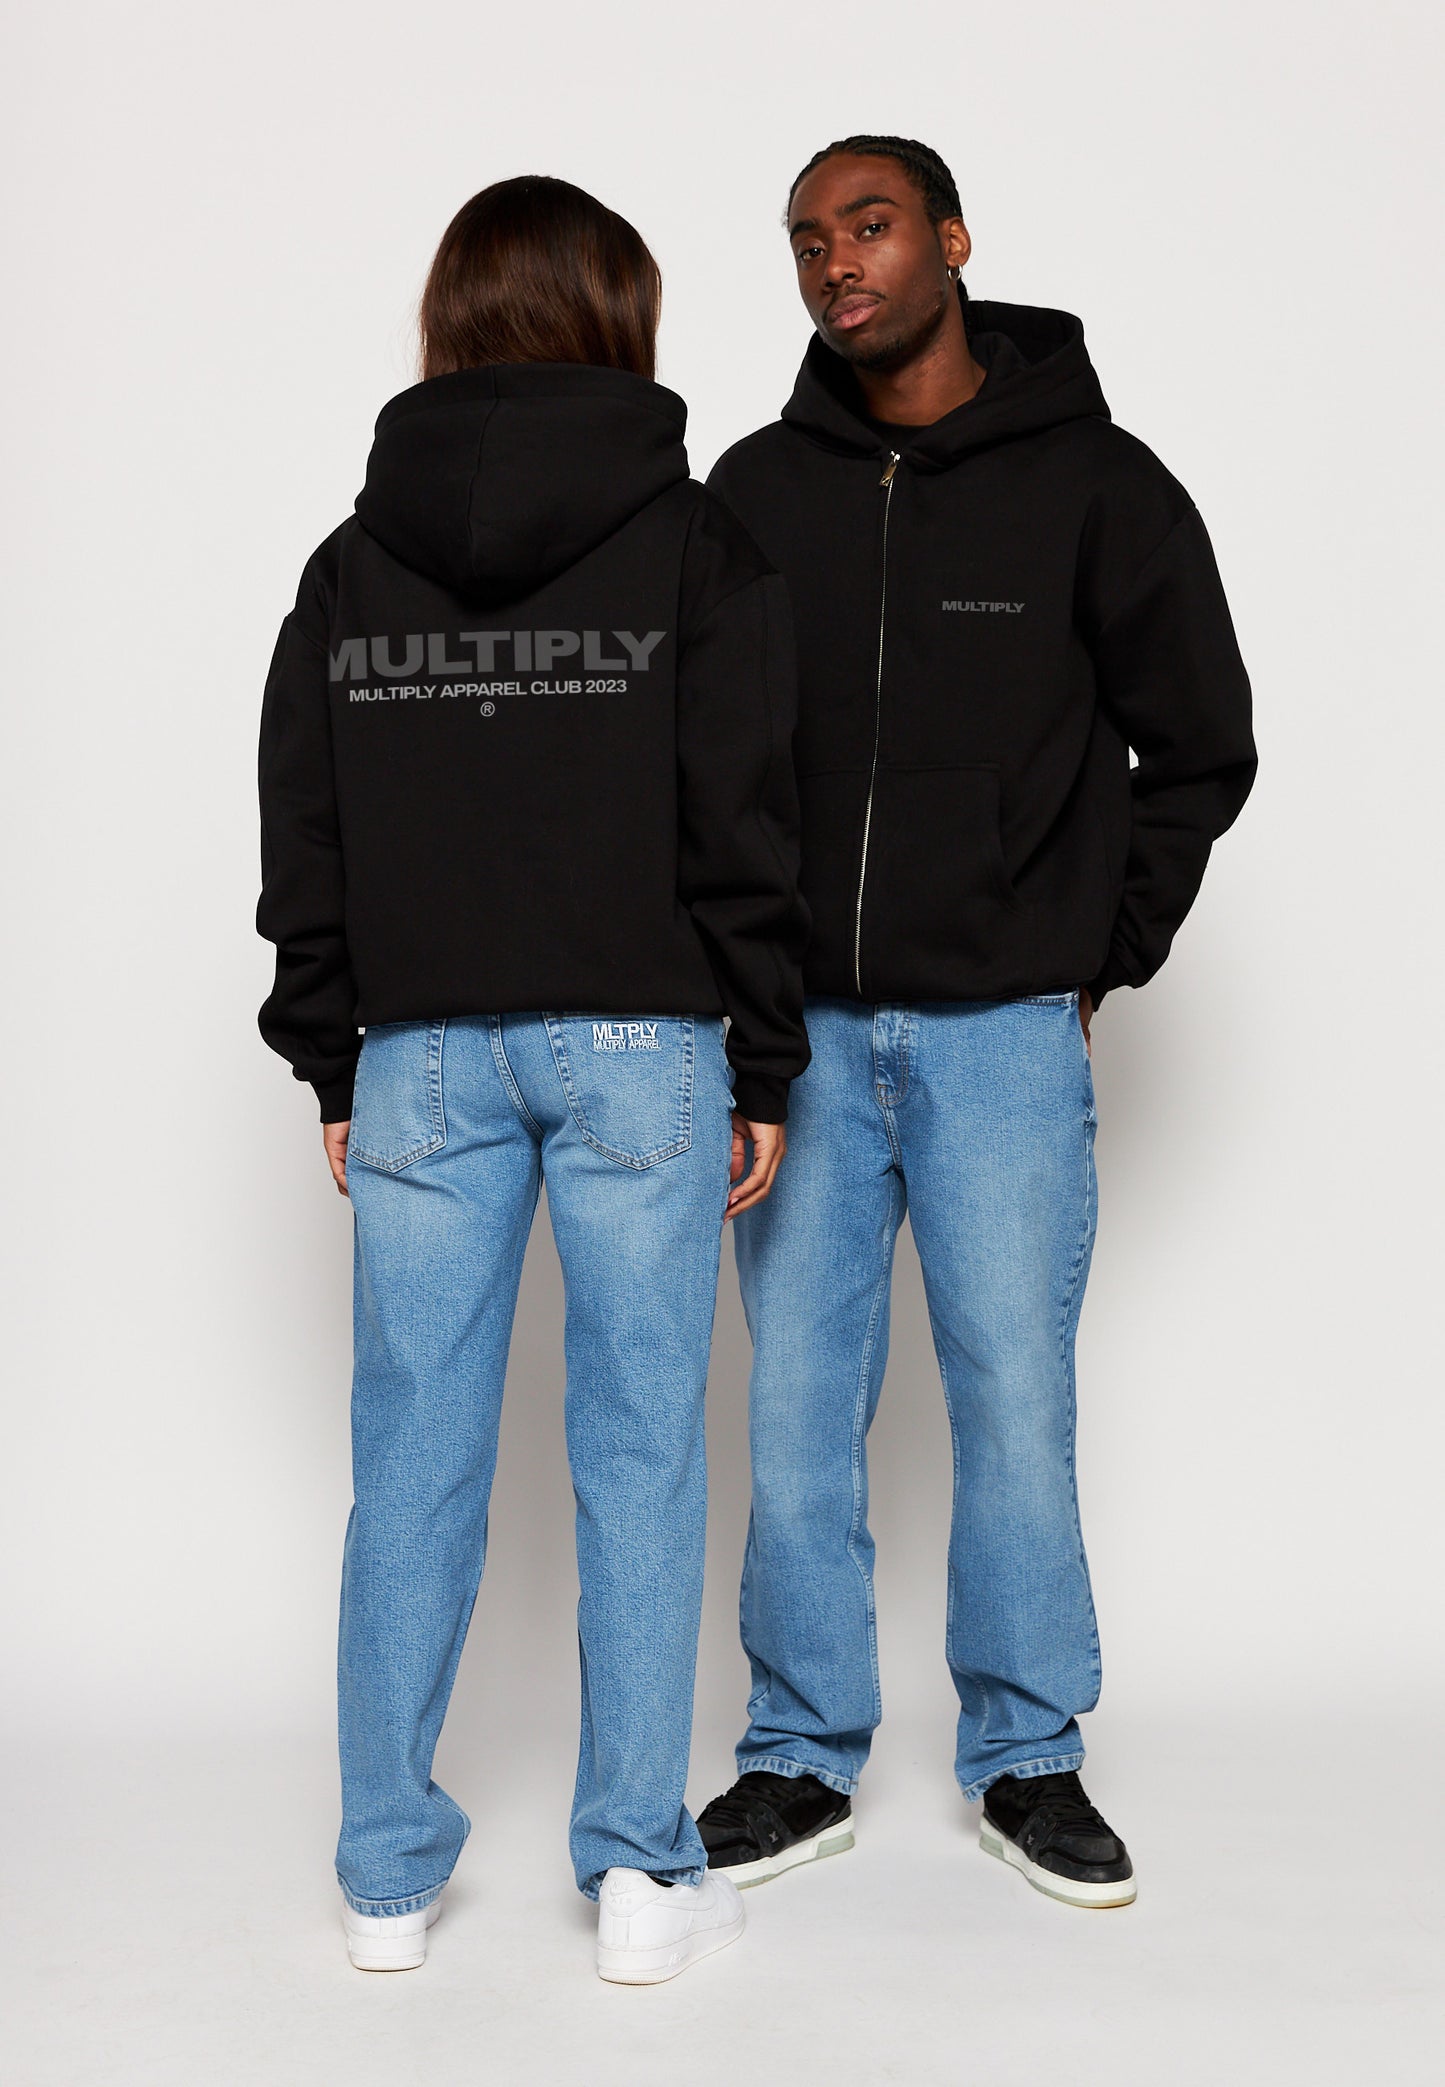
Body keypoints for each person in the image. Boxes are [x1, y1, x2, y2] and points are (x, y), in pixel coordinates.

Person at [255, 175, 810, 1982]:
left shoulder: (351, 563)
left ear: (450, 316)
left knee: (410, 1459)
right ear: (617, 316)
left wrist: (331, 1050)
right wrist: (763, 1050)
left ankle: (384, 1878)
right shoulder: (698, 545)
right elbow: (743, 819)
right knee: (641, 1455)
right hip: (644, 1048)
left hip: (417, 1052)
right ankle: (640, 1874)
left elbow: (305, 830)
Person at [696, 135, 1256, 1909]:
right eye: (806, 240)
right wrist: (732, 990)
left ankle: (1026, 1753)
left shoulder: (1097, 484)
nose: (834, 265)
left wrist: (1094, 948)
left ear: (948, 240)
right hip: (796, 1039)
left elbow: (1202, 745)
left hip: (1004, 1031)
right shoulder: (753, 490)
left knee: (1012, 1400)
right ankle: (799, 1754)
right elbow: (702, 763)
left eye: (867, 228)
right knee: (799, 1410)